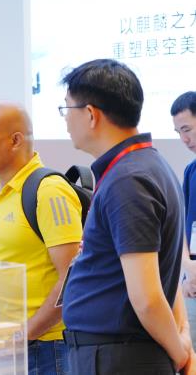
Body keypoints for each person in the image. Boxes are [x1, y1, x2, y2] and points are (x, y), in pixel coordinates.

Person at [60, 59, 195, 374]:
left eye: (66, 108)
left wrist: (180, 353)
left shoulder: (128, 179)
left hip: (119, 358)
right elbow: (163, 273)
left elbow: (148, 298)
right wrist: (182, 338)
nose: (65, 119)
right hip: (120, 353)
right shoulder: (145, 166)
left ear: (90, 114)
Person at [0, 102, 81, 375]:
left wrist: (23, 335)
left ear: (15, 140)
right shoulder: (0, 187)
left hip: (43, 349)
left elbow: (72, 280)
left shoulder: (49, 191)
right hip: (9, 347)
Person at [172, 91, 196, 348]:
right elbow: (181, 227)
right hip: (192, 286)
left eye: (187, 129)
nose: (184, 139)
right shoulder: (191, 170)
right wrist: (188, 267)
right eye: (179, 132)